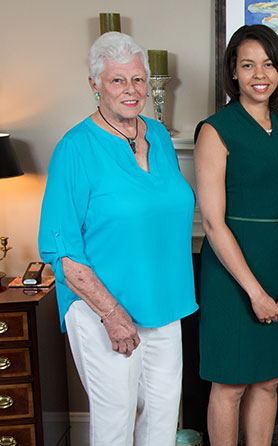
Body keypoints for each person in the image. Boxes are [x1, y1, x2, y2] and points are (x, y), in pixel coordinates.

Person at [38, 32, 197, 446]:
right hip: (102, 310)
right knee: (115, 423)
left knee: (163, 418)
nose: (131, 90)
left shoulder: (158, 135)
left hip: (164, 303)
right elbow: (65, 253)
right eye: (117, 80)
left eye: (138, 80)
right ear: (95, 85)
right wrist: (110, 314)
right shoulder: (74, 149)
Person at [193, 24, 278, 446]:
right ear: (234, 73)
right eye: (248, 65)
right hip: (231, 274)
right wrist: (254, 293)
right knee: (231, 385)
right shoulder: (215, 129)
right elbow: (212, 223)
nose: (260, 73)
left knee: (268, 382)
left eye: (268, 63)